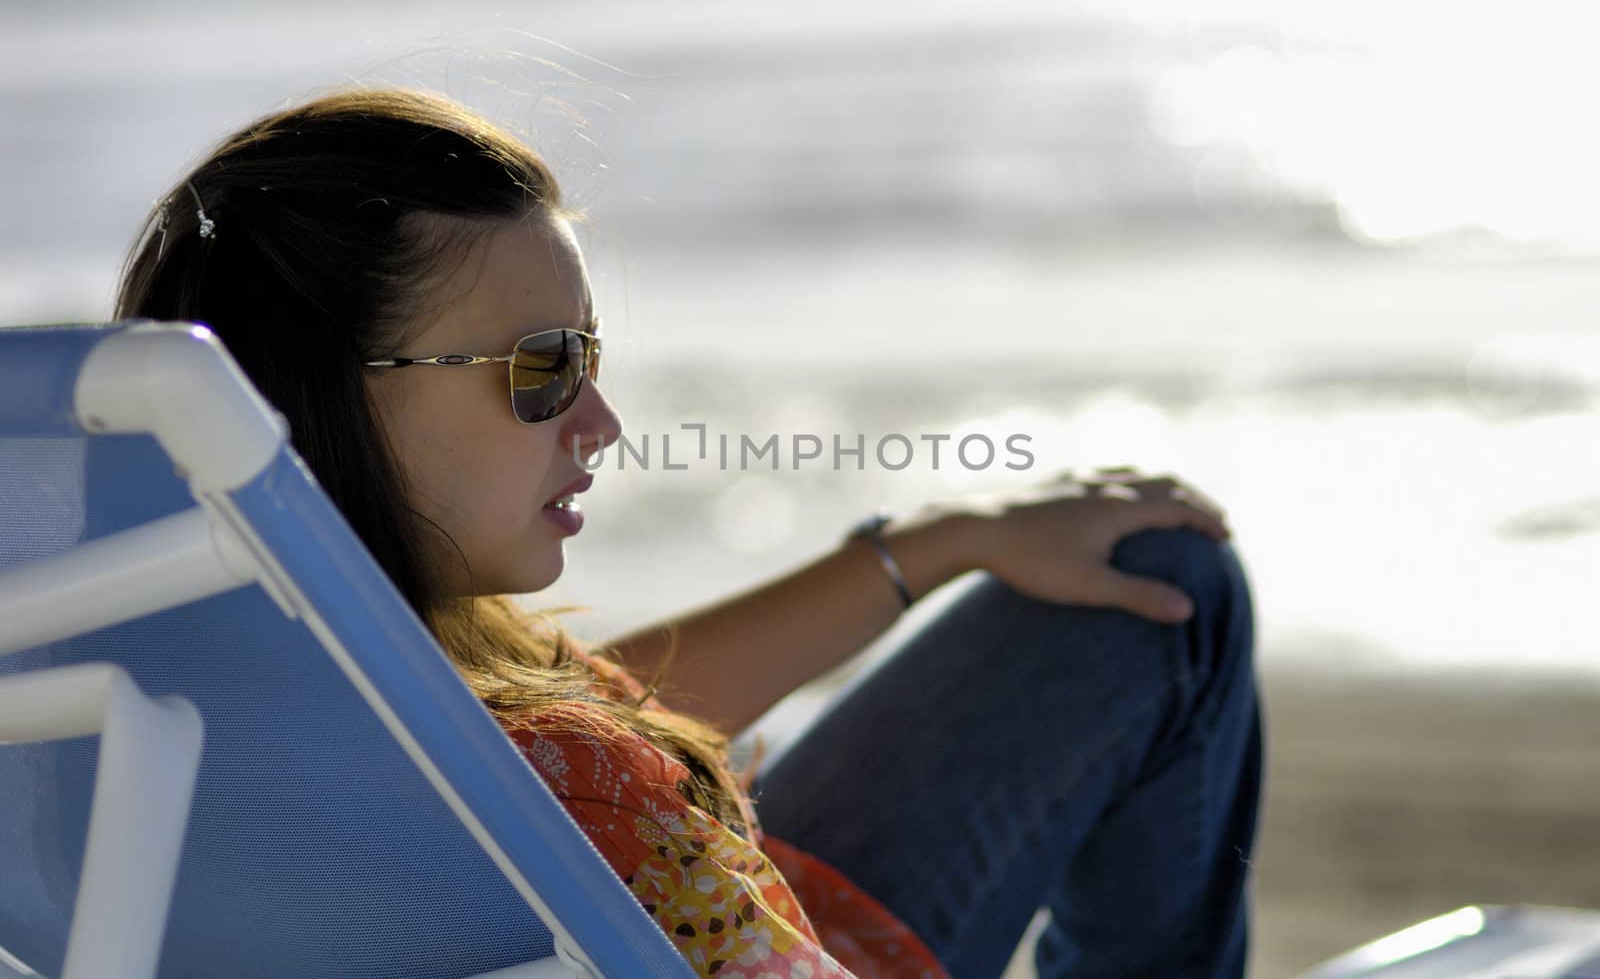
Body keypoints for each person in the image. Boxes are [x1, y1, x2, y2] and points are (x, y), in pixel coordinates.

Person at [114, 86, 1264, 979]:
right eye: (543, 368)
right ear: (324, 390)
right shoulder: (588, 797)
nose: (602, 423)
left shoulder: (158, 697)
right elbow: (597, 758)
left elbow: (585, 717)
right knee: (1172, 587)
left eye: (589, 359)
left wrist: (936, 540)